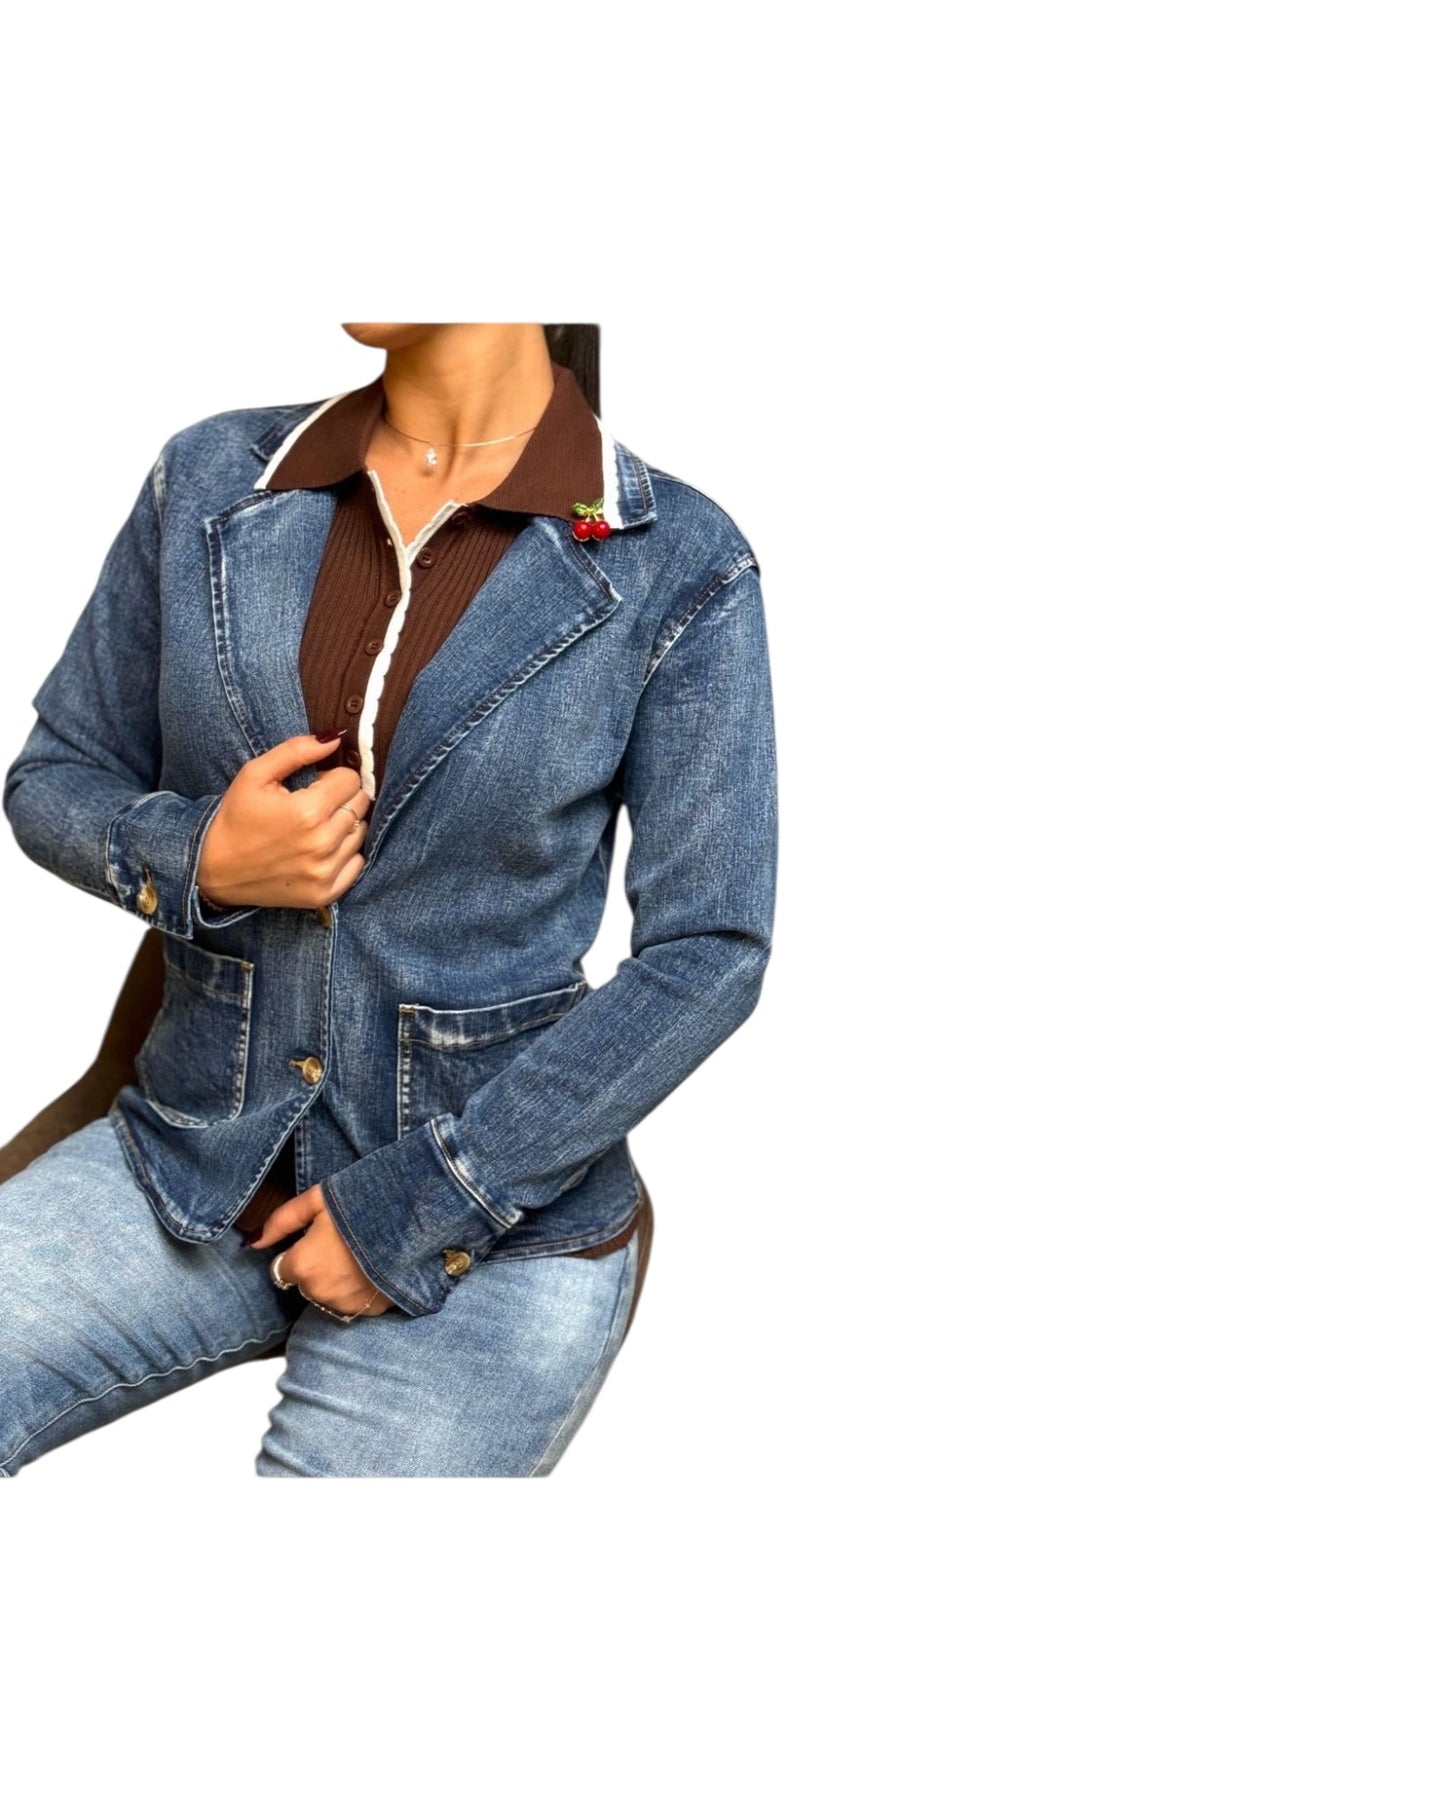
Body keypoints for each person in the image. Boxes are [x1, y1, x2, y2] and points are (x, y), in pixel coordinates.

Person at [0, 322, 778, 1478]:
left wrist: (428, 1204)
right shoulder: (211, 478)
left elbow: (708, 949)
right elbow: (57, 777)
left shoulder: (680, 560)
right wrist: (202, 855)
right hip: (191, 1162)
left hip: (493, 1221)